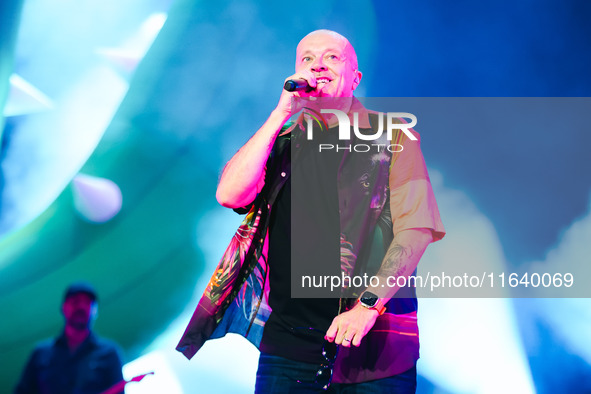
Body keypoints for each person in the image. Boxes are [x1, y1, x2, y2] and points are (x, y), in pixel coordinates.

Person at [176, 29, 445, 393]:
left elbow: (417, 229)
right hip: (288, 346)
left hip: (373, 348)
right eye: (307, 58)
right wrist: (279, 114)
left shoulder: (394, 136)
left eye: (332, 57)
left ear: (355, 77)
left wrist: (367, 306)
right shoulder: (282, 138)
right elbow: (229, 194)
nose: (318, 65)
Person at [15, 282, 124, 394]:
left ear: (95, 310)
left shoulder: (109, 353)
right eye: (75, 301)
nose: (81, 307)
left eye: (87, 303)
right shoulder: (40, 353)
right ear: (63, 307)